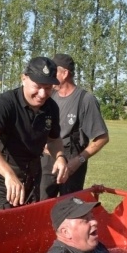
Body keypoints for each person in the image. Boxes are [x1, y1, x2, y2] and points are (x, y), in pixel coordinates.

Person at [0, 57, 69, 211]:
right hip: (0, 178)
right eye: (37, 86)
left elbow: (53, 140)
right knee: (5, 226)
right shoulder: (5, 103)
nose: (42, 94)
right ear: (24, 78)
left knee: (28, 224)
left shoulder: (51, 107)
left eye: (48, 88)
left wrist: (59, 157)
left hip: (32, 177)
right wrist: (9, 174)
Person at [40, 54, 109, 200]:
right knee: (41, 207)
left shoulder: (86, 100)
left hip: (72, 162)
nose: (50, 76)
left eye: (54, 71)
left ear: (64, 74)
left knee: (70, 209)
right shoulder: (47, 96)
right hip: (47, 161)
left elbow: (102, 138)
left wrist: (79, 161)